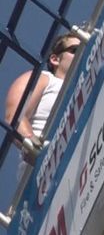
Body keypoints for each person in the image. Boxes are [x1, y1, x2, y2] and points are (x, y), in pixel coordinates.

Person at [4, 33, 80, 161]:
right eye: (75, 50)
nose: (81, 53)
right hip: (53, 161)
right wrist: (36, 152)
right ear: (55, 59)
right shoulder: (44, 78)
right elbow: (15, 117)